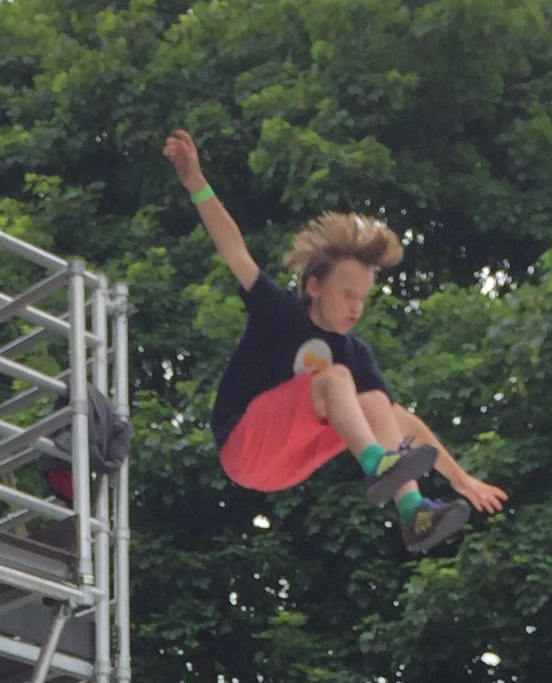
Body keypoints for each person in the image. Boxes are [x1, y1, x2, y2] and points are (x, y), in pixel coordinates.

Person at [163, 128, 506, 555]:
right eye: (347, 295)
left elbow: (404, 424)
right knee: (334, 379)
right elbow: (235, 251)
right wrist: (196, 183)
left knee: (377, 403)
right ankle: (377, 464)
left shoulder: (355, 352)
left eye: (362, 298)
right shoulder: (278, 311)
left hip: (286, 468)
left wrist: (460, 479)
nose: (355, 308)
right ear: (314, 287)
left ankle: (413, 511)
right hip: (244, 444)